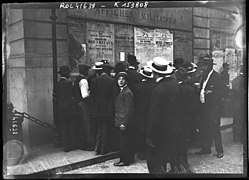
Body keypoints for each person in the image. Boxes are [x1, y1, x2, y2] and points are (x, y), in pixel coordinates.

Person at [146, 57, 181, 175]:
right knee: (170, 158)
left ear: (154, 73)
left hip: (159, 133)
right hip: (173, 130)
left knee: (157, 163)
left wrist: (150, 135)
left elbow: (154, 115)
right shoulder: (174, 85)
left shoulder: (157, 89)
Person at [195, 55, 226, 158]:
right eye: (202, 65)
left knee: (214, 129)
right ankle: (206, 148)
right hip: (203, 108)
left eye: (205, 66)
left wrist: (212, 93)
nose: (203, 68)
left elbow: (222, 93)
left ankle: (219, 150)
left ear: (210, 66)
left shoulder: (217, 77)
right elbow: (202, 88)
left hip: (213, 109)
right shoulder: (203, 76)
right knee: (203, 128)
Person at [91, 63, 116, 155]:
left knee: (99, 128)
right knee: (105, 128)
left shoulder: (94, 80)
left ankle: (97, 148)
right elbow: (114, 96)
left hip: (97, 108)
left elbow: (92, 96)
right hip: (107, 108)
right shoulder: (111, 81)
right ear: (108, 71)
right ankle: (103, 149)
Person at [174, 67, 195, 173]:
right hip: (186, 120)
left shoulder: (176, 89)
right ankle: (184, 165)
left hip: (177, 120)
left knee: (176, 144)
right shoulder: (190, 89)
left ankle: (178, 167)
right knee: (183, 144)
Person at [133, 66, 156, 160]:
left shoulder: (137, 87)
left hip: (139, 113)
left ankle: (142, 152)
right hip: (150, 112)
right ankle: (149, 152)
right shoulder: (153, 87)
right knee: (149, 133)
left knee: (140, 133)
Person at [54, 65, 78, 152]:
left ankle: (65, 146)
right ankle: (72, 145)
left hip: (61, 109)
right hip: (70, 109)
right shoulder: (68, 84)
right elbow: (73, 94)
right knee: (71, 127)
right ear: (66, 74)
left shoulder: (57, 84)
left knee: (64, 128)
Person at [114, 72, 135, 166]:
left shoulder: (127, 92)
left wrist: (124, 123)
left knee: (124, 142)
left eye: (122, 79)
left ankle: (125, 160)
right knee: (123, 141)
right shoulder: (122, 91)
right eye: (119, 79)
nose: (121, 81)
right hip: (120, 120)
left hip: (124, 121)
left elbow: (129, 109)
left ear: (126, 81)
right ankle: (125, 158)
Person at [74, 64, 95, 151]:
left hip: (78, 103)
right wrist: (91, 94)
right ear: (86, 71)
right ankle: (88, 144)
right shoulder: (84, 81)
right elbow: (85, 95)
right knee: (86, 123)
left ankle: (82, 143)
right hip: (83, 104)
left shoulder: (77, 79)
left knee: (82, 124)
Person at [232, 65, 246, 144]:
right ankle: (241, 138)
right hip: (242, 103)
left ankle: (236, 137)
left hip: (236, 104)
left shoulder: (235, 80)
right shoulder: (243, 80)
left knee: (237, 120)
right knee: (242, 121)